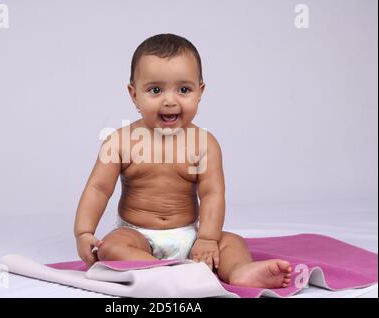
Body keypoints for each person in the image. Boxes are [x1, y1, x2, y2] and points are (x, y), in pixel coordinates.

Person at [74, 33, 292, 288]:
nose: (170, 100)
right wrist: (84, 232)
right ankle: (162, 270)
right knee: (112, 246)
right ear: (134, 95)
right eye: (155, 90)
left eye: (184, 89)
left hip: (190, 237)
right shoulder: (120, 141)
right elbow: (98, 189)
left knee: (231, 242)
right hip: (136, 234)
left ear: (200, 92)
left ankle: (240, 272)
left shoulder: (204, 143)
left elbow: (212, 194)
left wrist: (208, 238)